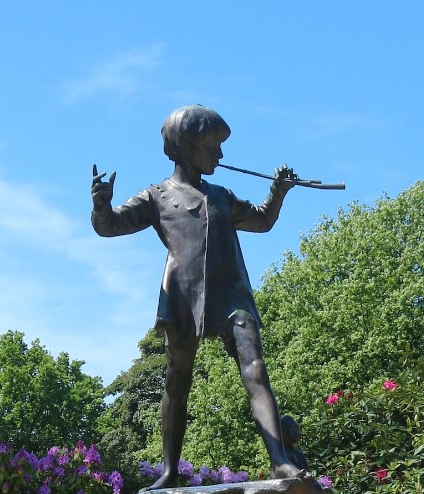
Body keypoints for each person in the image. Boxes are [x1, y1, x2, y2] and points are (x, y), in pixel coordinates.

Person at [90, 104, 305, 490]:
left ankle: (280, 462)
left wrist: (279, 191)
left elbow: (262, 220)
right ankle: (170, 470)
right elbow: (111, 227)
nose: (220, 156)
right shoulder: (157, 197)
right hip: (182, 297)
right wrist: (101, 205)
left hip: (231, 294)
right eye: (212, 147)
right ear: (186, 147)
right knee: (177, 380)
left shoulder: (222, 196)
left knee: (255, 368)